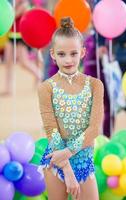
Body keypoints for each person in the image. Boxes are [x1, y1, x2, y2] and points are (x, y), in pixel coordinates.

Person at [38, 17, 104, 200]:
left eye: (73, 53)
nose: (68, 60)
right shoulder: (46, 87)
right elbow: (52, 130)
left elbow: (94, 129)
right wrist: (66, 168)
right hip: (56, 160)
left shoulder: (95, 85)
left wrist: (67, 152)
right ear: (52, 54)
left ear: (83, 52)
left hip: (82, 159)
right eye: (61, 54)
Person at [1, 0, 41, 95]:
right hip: (11, 35)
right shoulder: (11, 4)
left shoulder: (24, 4)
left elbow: (12, 16)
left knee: (23, 62)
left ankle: (40, 76)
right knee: (8, 62)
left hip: (21, 36)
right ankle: (9, 89)